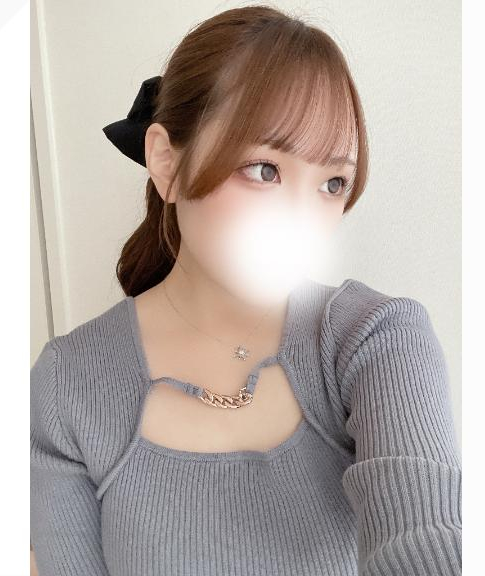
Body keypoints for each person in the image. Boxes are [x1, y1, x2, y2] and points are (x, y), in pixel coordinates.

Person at [30, 5, 462, 575]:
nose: (302, 219)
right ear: (166, 161)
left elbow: (426, 535)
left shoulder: (377, 340)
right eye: (264, 170)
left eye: (333, 183)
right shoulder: (66, 385)